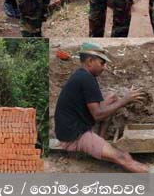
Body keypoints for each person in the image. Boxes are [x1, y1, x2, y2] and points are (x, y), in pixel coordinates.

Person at [54, 42, 148, 173]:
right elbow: (98, 115)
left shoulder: (82, 75)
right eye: (102, 63)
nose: (104, 67)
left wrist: (120, 100)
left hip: (69, 129)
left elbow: (98, 109)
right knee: (123, 157)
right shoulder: (87, 79)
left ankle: (100, 141)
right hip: (74, 136)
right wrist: (125, 100)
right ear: (90, 61)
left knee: (112, 98)